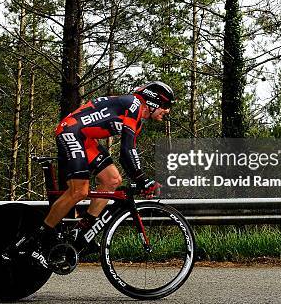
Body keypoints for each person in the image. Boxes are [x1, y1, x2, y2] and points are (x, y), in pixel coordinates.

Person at [13, 81, 174, 269]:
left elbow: (130, 153)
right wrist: (143, 180)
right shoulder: (134, 104)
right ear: (153, 101)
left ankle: (81, 233)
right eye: (165, 106)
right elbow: (126, 150)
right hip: (71, 132)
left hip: (85, 138)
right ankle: (38, 238)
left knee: (113, 180)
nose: (167, 111)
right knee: (79, 191)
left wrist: (141, 178)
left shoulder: (136, 115)